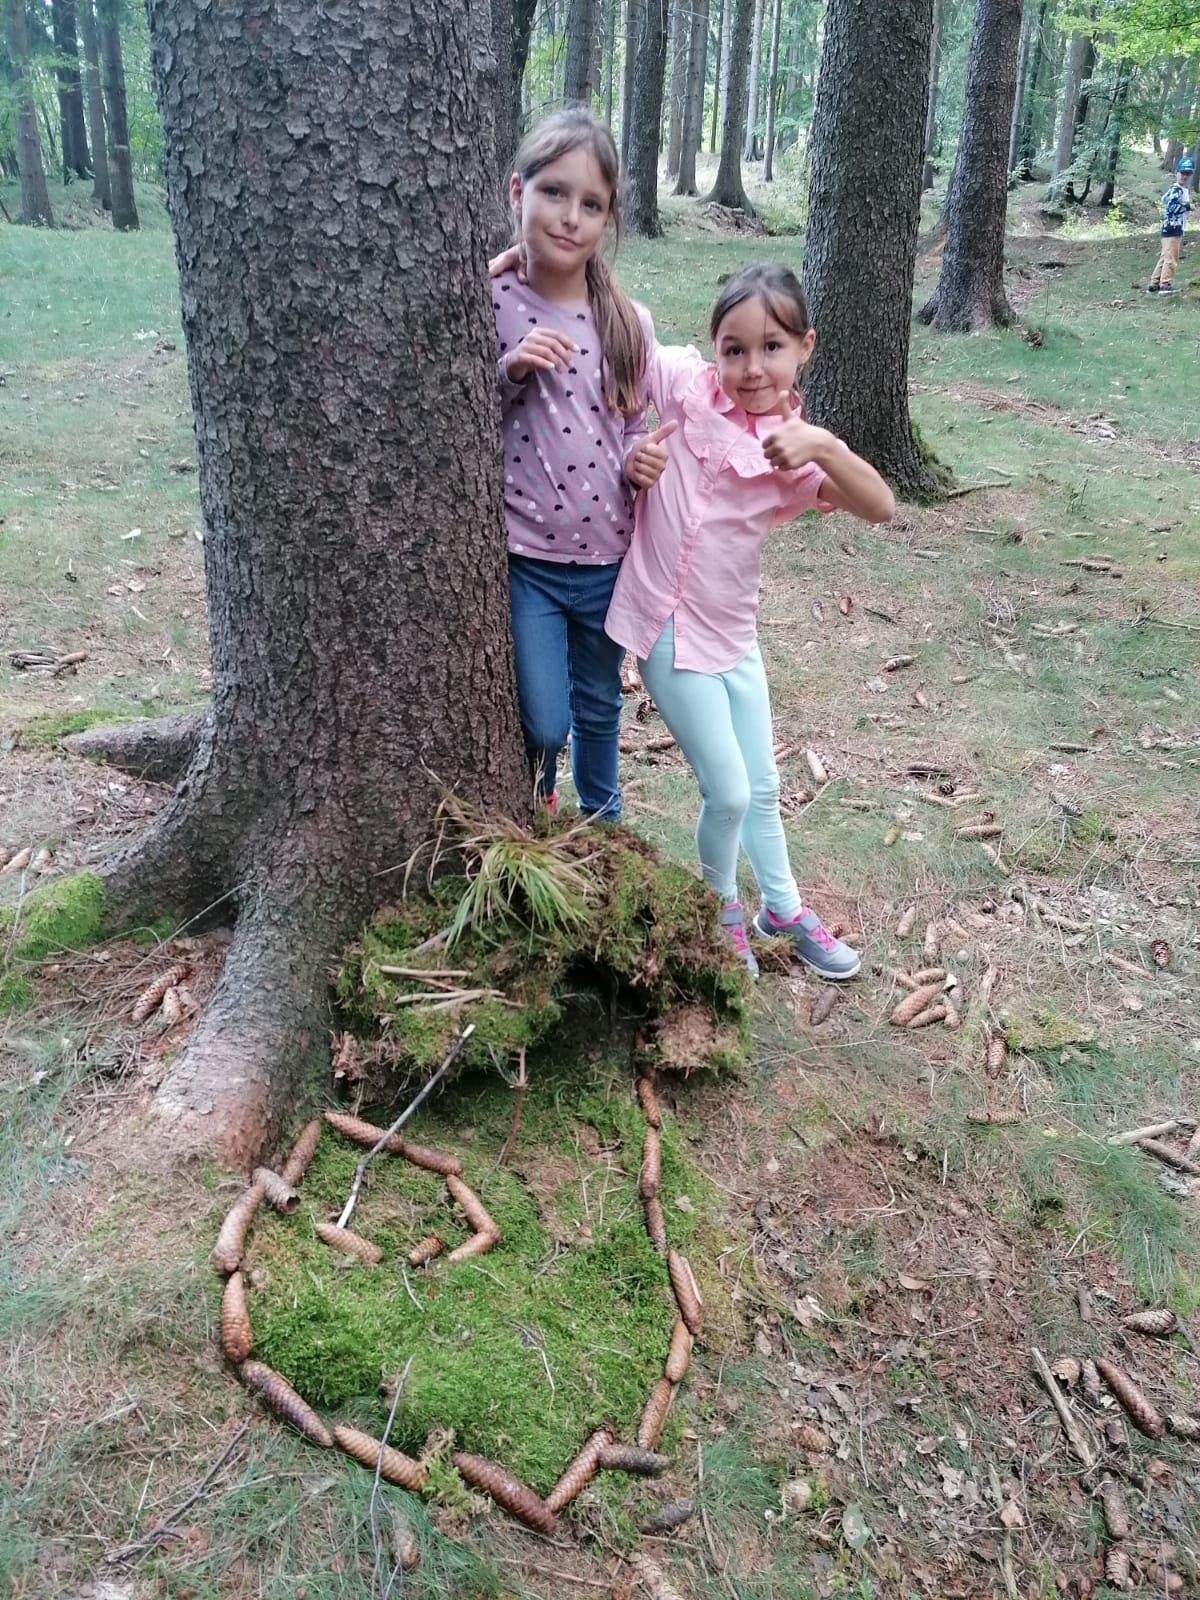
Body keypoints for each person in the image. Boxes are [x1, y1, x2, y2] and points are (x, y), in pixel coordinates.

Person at [604, 263, 895, 980]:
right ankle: (720, 911)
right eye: (734, 349)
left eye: (772, 347)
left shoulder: (792, 448)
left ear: (805, 348)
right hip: (667, 626)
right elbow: (619, 320)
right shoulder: (684, 386)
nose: (752, 367)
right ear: (714, 348)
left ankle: (783, 910)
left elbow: (880, 505)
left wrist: (823, 446)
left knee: (762, 787)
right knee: (729, 791)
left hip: (736, 636)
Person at [491, 109, 672, 821]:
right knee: (544, 719)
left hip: (605, 559)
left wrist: (638, 459)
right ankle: (539, 803)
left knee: (599, 703)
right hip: (527, 559)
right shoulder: (493, 299)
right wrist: (511, 369)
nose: (570, 217)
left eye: (591, 204)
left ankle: (603, 820)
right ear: (518, 192)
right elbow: (455, 418)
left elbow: (629, 424)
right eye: (554, 193)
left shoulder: (627, 320)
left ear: (608, 218)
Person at [1148, 157, 1194, 294]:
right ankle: (1165, 284)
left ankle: (1154, 282)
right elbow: (1172, 207)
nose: (1184, 176)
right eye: (1182, 172)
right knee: (1171, 257)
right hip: (1173, 227)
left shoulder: (1177, 189)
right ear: (1176, 172)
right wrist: (1187, 206)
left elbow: (1164, 200)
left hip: (1169, 227)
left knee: (1165, 255)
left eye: (1187, 173)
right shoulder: (1177, 189)